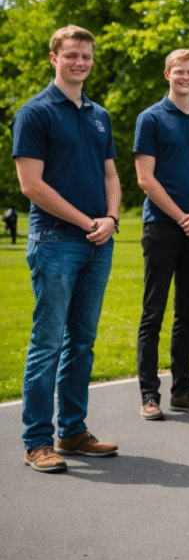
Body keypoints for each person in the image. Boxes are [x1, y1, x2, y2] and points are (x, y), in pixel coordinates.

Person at [13, 25, 120, 471]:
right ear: (54, 57)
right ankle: (38, 440)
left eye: (87, 56)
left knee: (84, 343)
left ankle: (73, 431)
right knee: (48, 343)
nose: (80, 63)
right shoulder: (35, 112)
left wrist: (111, 220)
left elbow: (112, 175)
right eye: (72, 55)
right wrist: (86, 221)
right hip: (57, 240)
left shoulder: (98, 114)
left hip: (99, 241)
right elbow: (31, 184)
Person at [132, 48, 189, 420]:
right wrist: (183, 216)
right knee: (154, 311)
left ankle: (182, 391)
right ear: (167, 74)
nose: (185, 77)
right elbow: (144, 178)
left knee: (187, 313)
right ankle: (149, 395)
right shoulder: (150, 118)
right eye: (179, 71)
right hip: (162, 228)